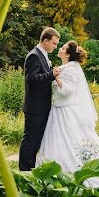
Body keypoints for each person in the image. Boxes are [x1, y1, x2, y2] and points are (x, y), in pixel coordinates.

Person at [36, 40, 99, 191]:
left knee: (70, 142)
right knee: (59, 142)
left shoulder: (69, 69)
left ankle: (75, 171)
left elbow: (67, 92)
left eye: (63, 48)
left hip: (65, 112)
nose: (60, 49)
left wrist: (56, 77)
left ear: (68, 54)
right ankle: (56, 173)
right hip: (58, 111)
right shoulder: (66, 67)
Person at [18, 27, 61, 171]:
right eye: (54, 44)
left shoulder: (43, 55)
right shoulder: (34, 55)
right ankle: (24, 172)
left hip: (42, 108)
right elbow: (32, 79)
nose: (55, 47)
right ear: (45, 40)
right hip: (35, 108)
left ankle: (30, 170)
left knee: (35, 142)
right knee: (30, 141)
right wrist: (51, 75)